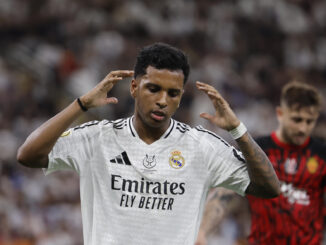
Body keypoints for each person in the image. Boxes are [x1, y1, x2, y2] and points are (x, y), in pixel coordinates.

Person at [17, 42, 280, 245]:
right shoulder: (98, 137)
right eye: (153, 89)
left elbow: (269, 188)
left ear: (180, 97)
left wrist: (237, 129)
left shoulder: (202, 146)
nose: (163, 100)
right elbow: (28, 155)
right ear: (134, 87)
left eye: (173, 93)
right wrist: (81, 104)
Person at [196, 81, 326, 245]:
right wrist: (202, 230)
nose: (303, 128)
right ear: (280, 114)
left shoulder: (321, 155)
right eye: (297, 119)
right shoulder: (258, 151)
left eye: (309, 121)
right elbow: (224, 193)